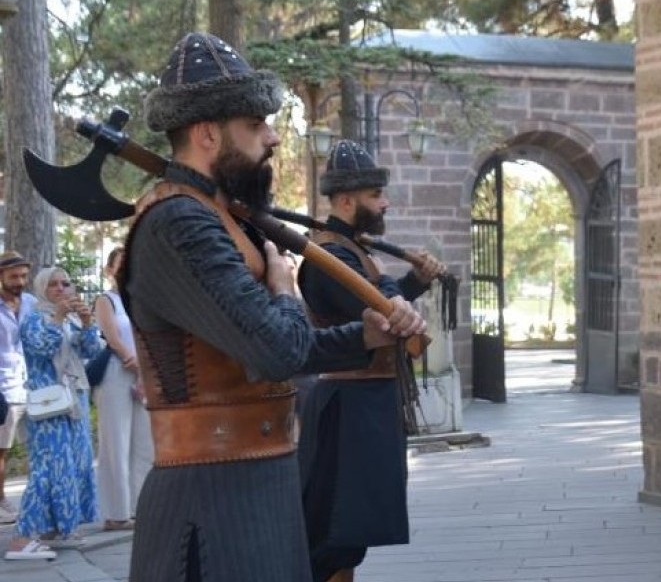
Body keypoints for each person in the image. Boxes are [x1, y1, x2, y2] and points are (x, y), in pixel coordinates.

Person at [118, 32, 426, 582]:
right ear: (208, 132)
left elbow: (269, 346)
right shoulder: (179, 222)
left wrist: (365, 337)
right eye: (256, 125)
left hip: (256, 479)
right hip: (213, 497)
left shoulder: (217, 215)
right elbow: (277, 348)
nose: (274, 137)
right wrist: (283, 284)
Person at [297, 139, 447, 582]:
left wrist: (412, 283)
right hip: (347, 404)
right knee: (332, 533)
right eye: (375, 196)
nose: (386, 203)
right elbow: (383, 310)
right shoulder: (329, 256)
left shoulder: (351, 251)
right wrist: (404, 292)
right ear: (346, 200)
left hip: (368, 401)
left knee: (351, 533)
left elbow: (382, 301)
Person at [4, 267, 102, 560]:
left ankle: (56, 529)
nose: (61, 289)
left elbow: (91, 351)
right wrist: (58, 318)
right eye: (53, 285)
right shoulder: (34, 318)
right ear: (42, 289)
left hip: (74, 401)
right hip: (49, 406)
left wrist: (86, 322)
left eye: (66, 283)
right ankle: (21, 539)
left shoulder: (72, 319)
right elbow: (41, 347)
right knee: (49, 469)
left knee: (74, 465)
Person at [93, 246, 153, 532]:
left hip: (142, 373)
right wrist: (135, 366)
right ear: (109, 270)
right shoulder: (106, 300)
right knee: (116, 443)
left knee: (143, 444)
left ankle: (139, 506)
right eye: (118, 265)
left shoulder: (138, 299)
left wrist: (146, 374)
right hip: (118, 371)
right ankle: (116, 513)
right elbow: (112, 337)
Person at [0, 251, 35, 527]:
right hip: (5, 388)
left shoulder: (32, 304)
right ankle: (1, 502)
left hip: (34, 388)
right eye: (14, 276)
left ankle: (36, 501)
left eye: (23, 276)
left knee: (38, 448)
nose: (19, 281)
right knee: (2, 450)